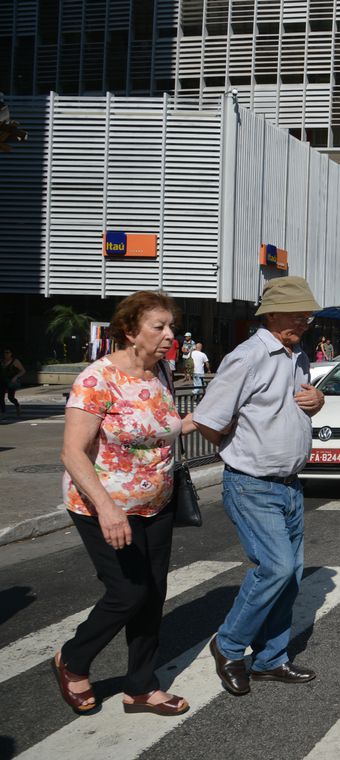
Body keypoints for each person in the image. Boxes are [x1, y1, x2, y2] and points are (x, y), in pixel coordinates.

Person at [55, 291, 195, 716]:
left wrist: (218, 418)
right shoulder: (98, 379)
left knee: (152, 595)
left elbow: (168, 427)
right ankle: (73, 660)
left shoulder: (162, 373)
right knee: (127, 592)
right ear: (131, 331)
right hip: (101, 506)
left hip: (157, 505)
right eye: (159, 327)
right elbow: (73, 452)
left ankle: (141, 686)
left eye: (171, 327)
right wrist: (109, 508)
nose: (170, 335)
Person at [192, 276, 325, 697]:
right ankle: (229, 645)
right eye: (295, 314)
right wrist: (240, 451)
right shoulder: (247, 357)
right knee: (277, 569)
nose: (304, 321)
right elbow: (208, 419)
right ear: (269, 314)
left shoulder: (298, 355)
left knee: (291, 576)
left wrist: (318, 404)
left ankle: (270, 659)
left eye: (307, 314)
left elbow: (292, 409)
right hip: (252, 484)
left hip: (289, 485)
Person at [1, 348, 26, 416]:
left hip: (11, 381)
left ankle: (17, 405)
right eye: (5, 352)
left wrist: (16, 377)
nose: (6, 354)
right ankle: (3, 412)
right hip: (2, 381)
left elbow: (23, 371)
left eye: (8, 352)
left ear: (11, 353)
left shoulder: (15, 361)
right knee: (1, 397)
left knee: (11, 397)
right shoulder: (2, 361)